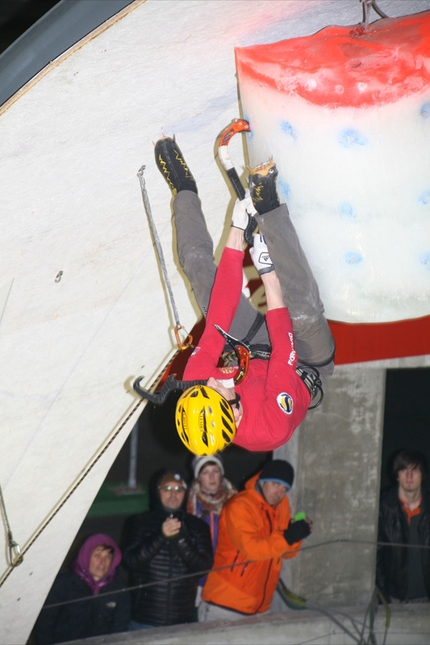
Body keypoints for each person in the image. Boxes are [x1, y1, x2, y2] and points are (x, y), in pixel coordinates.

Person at [153, 136, 335, 455]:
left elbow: (218, 321)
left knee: (198, 270)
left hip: (249, 352)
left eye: (207, 387)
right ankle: (270, 205)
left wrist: (238, 230)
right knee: (303, 312)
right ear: (235, 413)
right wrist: (266, 271)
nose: (214, 380)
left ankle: (184, 190)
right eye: (219, 389)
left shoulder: (198, 385)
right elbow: (284, 353)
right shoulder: (270, 427)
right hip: (302, 361)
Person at [198, 459, 312, 620]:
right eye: (275, 484)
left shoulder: (281, 506)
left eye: (284, 488)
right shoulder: (240, 506)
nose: (279, 492)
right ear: (263, 482)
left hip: (261, 608)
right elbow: (252, 550)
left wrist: (298, 535)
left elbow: (287, 553)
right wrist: (288, 537)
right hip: (225, 606)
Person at [121, 469, 213, 629]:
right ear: (157, 492)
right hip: (144, 620)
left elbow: (203, 568)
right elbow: (131, 562)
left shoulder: (198, 527)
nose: (173, 494)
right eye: (167, 489)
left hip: (182, 621)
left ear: (186, 494)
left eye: (178, 489)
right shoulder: (138, 523)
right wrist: (160, 536)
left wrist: (182, 540)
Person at [34, 533, 130, 645]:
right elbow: (44, 623)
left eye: (107, 557)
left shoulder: (119, 587)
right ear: (86, 555)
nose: (102, 562)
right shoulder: (64, 583)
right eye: (97, 555)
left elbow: (120, 627)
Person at [376, 449, 430, 603]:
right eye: (404, 470)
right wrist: (384, 596)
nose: (409, 476)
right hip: (394, 601)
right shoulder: (382, 509)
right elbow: (374, 558)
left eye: (415, 470)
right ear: (397, 475)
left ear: (423, 475)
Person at [186, 453, 237, 613]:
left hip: (226, 575)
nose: (212, 477)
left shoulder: (235, 501)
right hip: (199, 577)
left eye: (215, 471)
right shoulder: (190, 504)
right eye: (206, 472)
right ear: (198, 477)